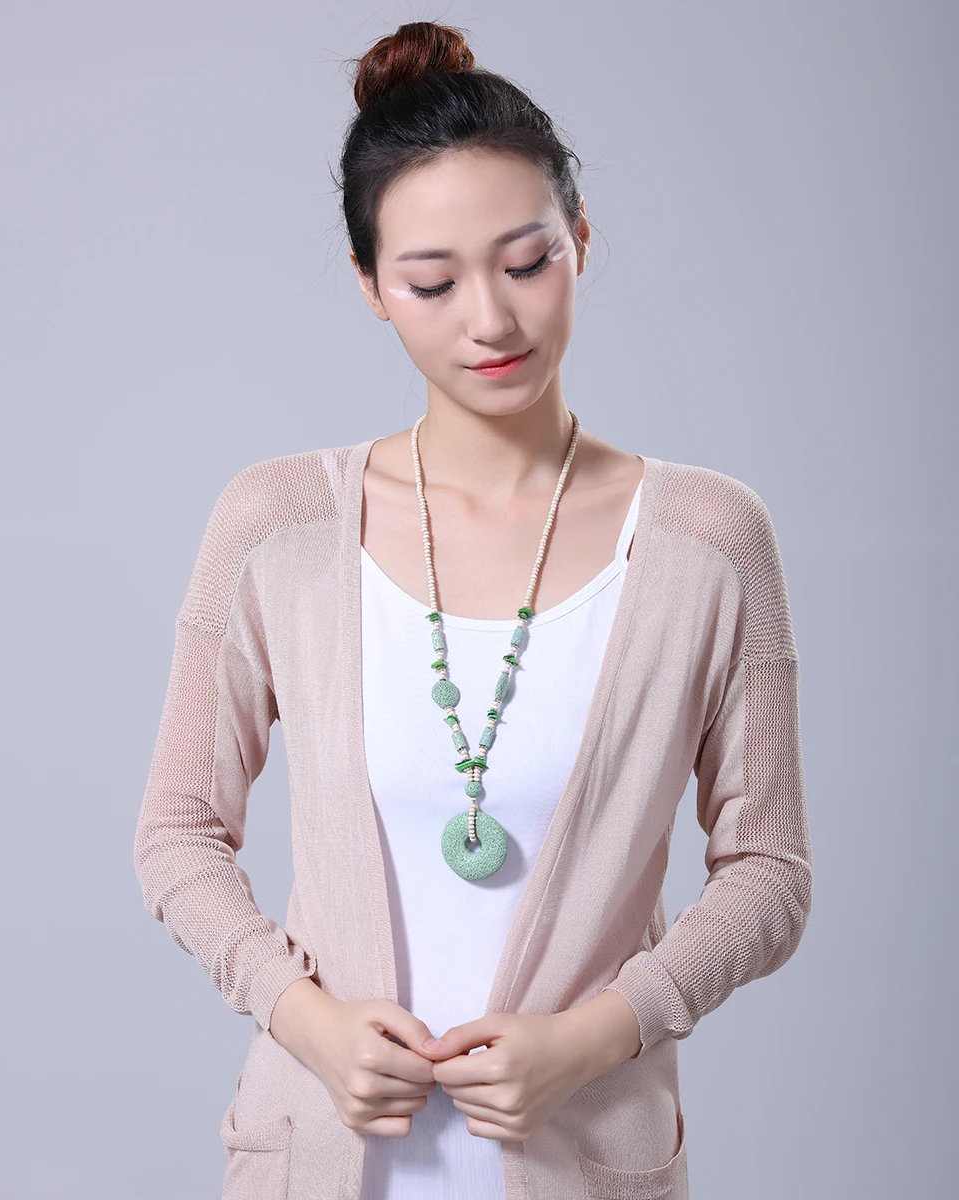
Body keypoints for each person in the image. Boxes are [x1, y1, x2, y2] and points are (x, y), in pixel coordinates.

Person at [133, 21, 813, 1200]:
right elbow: (177, 833)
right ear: (371, 289)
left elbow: (769, 870)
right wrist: (306, 1021)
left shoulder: (711, 542)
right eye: (432, 283)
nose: (490, 321)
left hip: (589, 1159)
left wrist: (597, 1037)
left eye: (527, 262)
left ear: (582, 240)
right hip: (316, 1162)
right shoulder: (276, 526)